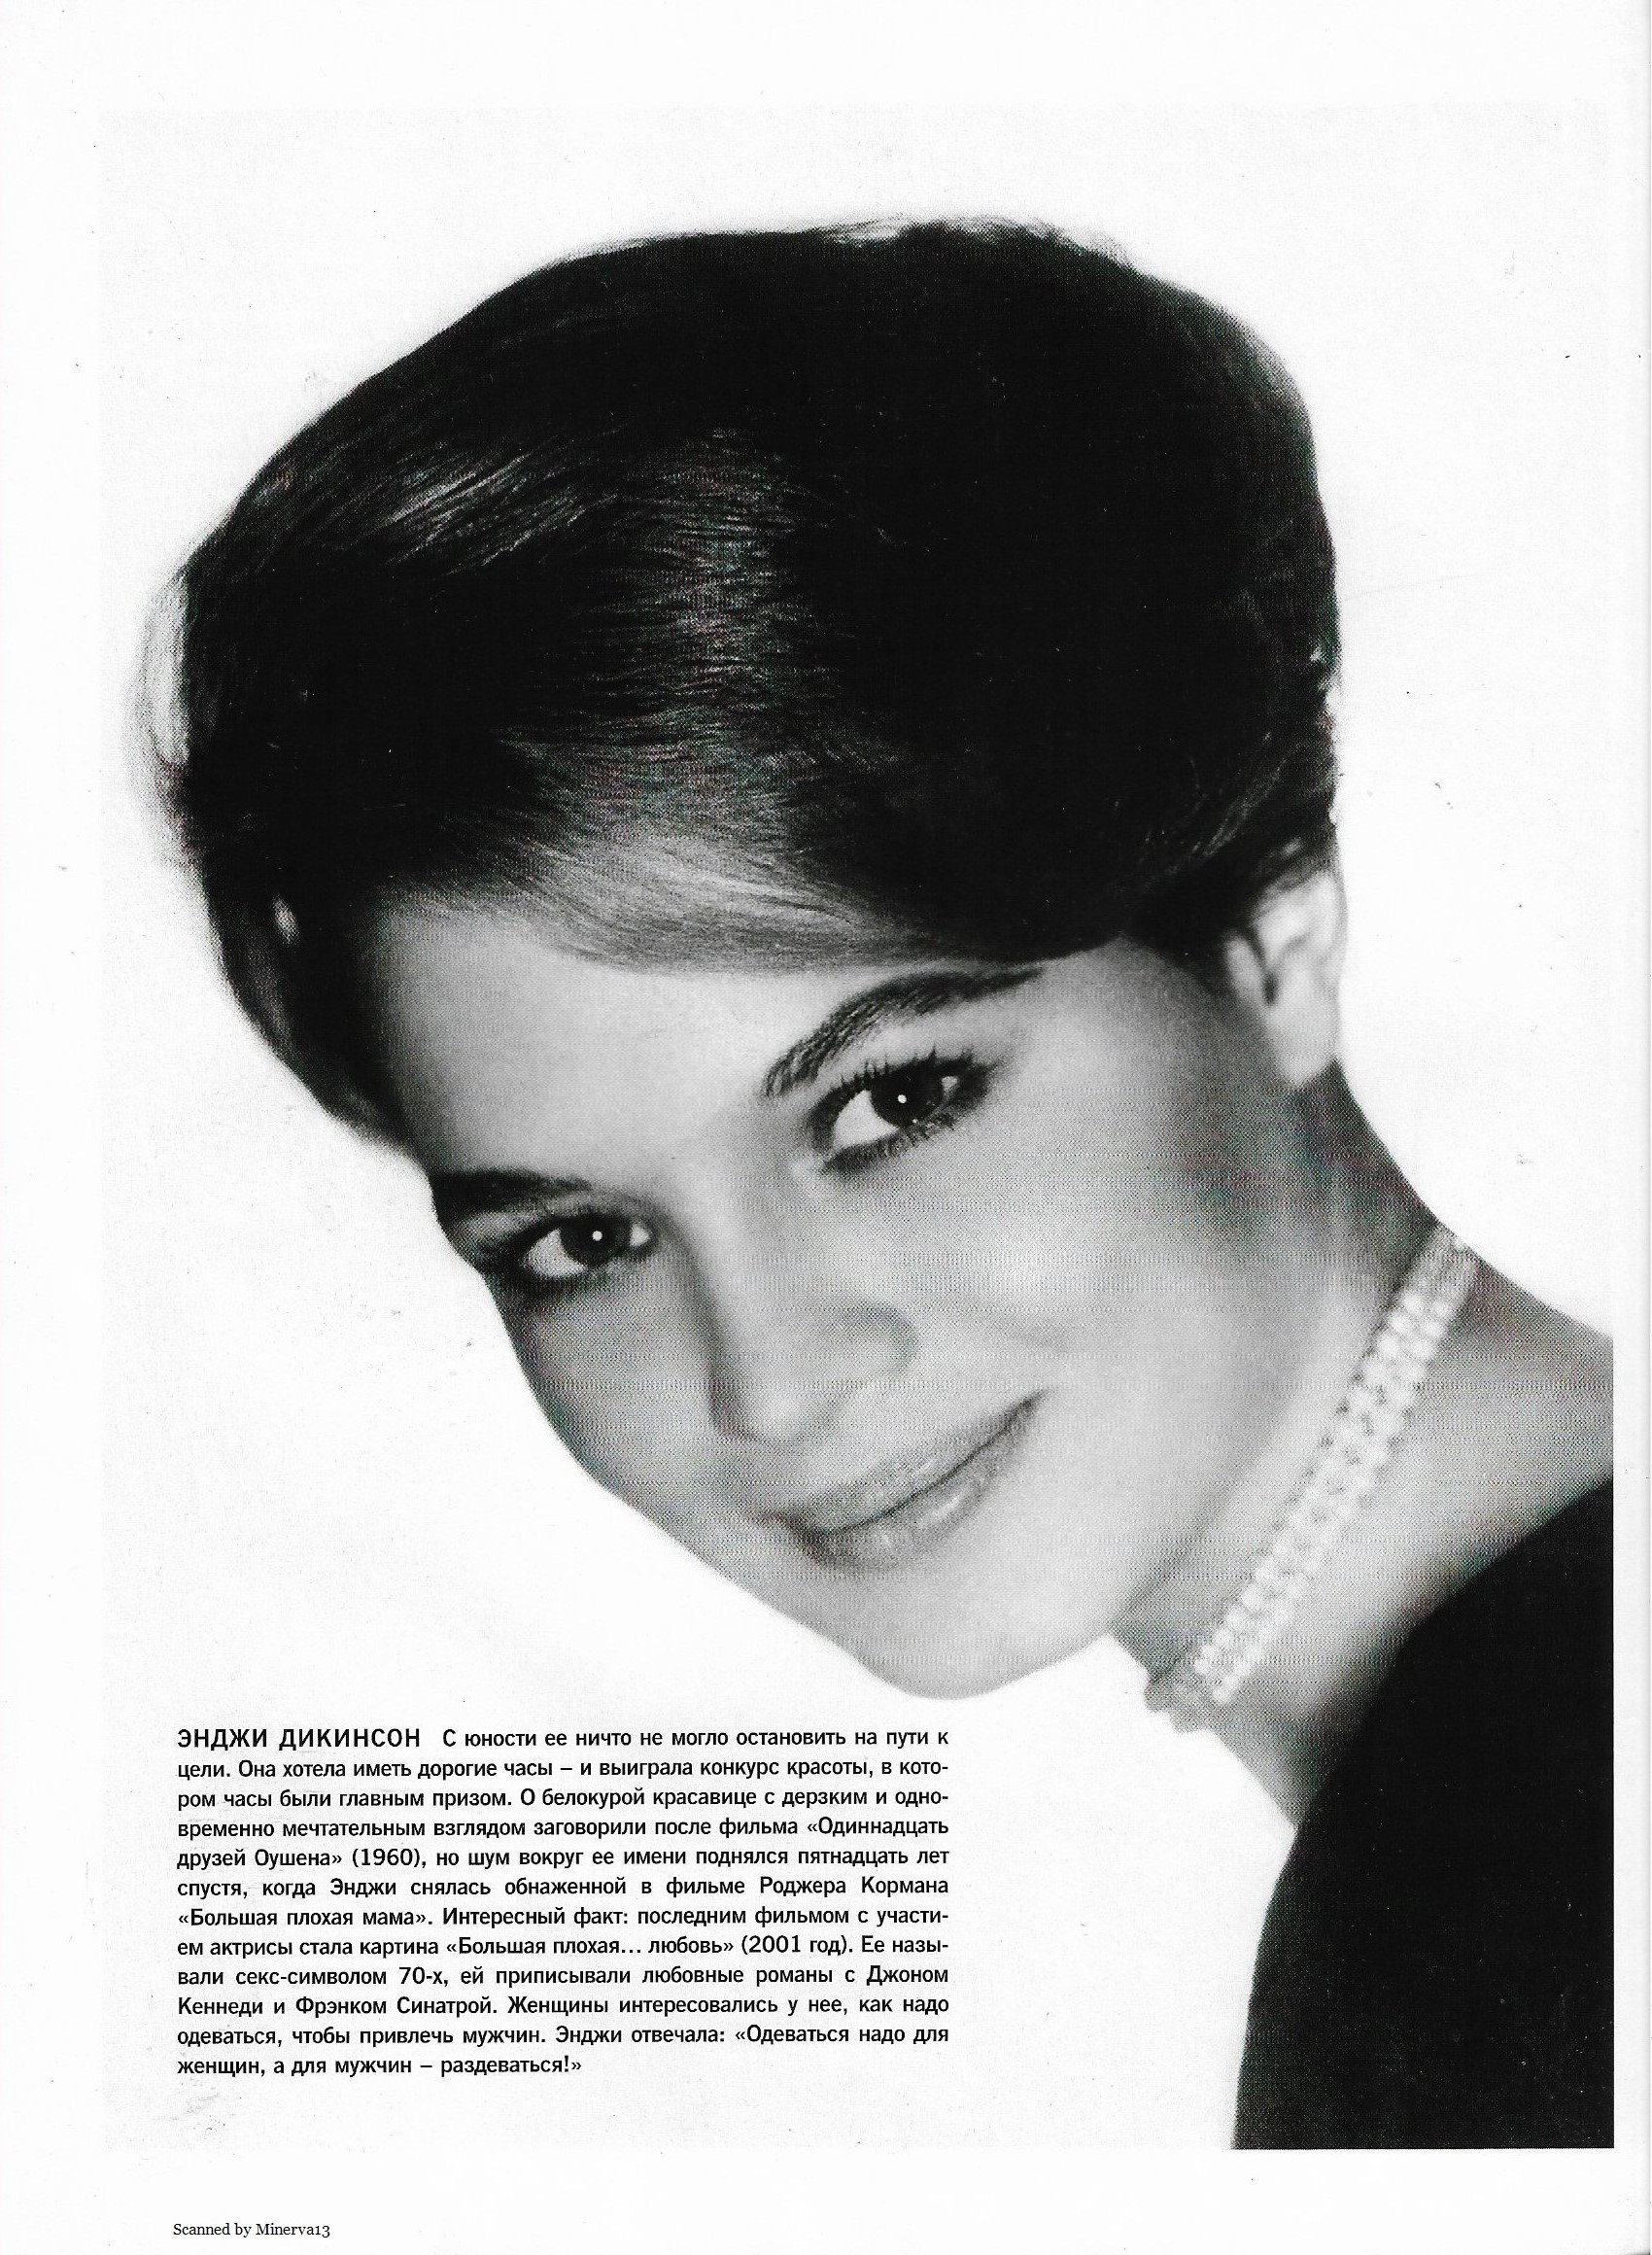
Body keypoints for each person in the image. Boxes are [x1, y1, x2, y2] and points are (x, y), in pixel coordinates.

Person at [159, 222, 1612, 2146]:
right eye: (585, 1239)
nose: (772, 1380)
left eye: (891, 1100)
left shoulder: (1502, 1913)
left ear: (1272, 943)